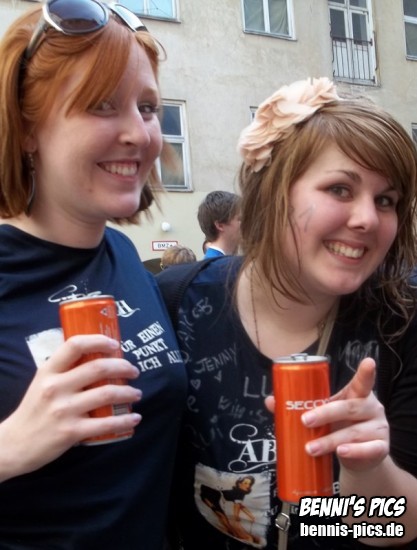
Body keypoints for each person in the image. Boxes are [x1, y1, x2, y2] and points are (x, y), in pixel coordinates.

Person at [157, 77, 417, 549]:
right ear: (273, 191)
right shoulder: (178, 302)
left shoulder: (402, 324)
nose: (367, 218)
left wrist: (367, 470)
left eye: (386, 200)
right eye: (340, 189)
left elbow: (399, 527)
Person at [0, 2, 187, 549]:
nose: (139, 134)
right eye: (102, 105)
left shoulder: (124, 255)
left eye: (147, 108)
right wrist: (10, 447)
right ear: (28, 129)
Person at [197, 190, 241, 258]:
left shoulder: (223, 258)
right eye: (240, 219)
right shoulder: (216, 262)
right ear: (220, 225)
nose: (246, 223)